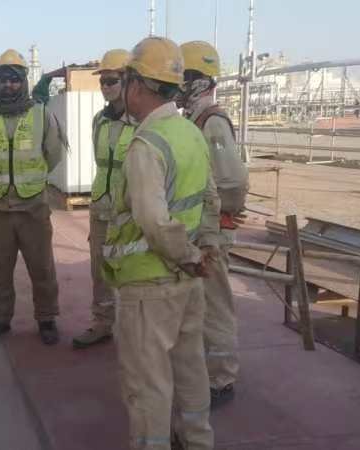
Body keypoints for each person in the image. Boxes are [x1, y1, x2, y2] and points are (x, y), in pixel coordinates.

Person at [102, 37, 219, 450]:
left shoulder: (146, 144)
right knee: (190, 370)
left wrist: (188, 256)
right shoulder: (189, 132)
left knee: (148, 385)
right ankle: (197, 441)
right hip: (188, 282)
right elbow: (210, 200)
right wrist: (204, 250)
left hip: (150, 284)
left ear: (137, 84)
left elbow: (153, 221)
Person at [0, 49, 68, 345]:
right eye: (4, 79)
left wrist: (32, 179)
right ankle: (0, 319)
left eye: (14, 80)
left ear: (24, 81)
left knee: (41, 266)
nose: (8, 85)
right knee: (0, 268)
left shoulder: (41, 113)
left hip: (32, 206)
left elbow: (53, 154)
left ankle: (47, 319)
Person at [180, 40, 249, 408]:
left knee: (216, 307)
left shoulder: (212, 122)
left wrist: (223, 217)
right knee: (201, 306)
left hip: (213, 234)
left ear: (200, 80)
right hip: (201, 231)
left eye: (183, 76)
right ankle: (205, 372)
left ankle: (221, 379)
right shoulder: (194, 120)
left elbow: (233, 181)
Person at [72, 49, 134, 350]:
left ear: (128, 81)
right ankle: (102, 323)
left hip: (130, 211)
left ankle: (134, 330)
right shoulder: (99, 120)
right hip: (100, 207)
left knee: (132, 270)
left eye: (112, 81)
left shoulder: (141, 122)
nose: (106, 87)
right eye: (103, 81)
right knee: (99, 270)